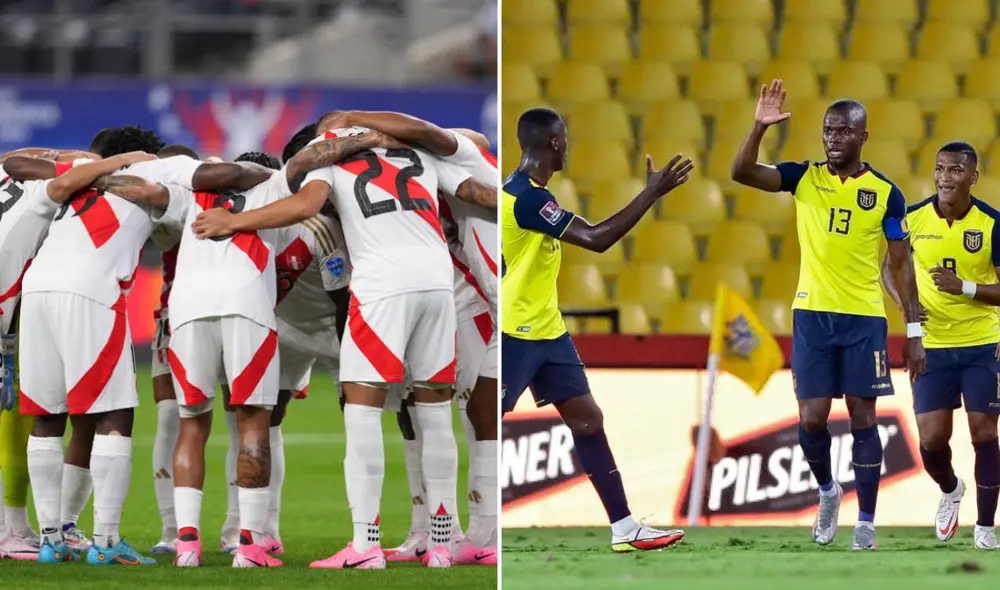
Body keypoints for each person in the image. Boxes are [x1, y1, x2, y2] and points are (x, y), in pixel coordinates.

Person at [190, 124, 496, 570]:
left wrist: (231, 220)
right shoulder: (417, 149)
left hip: (381, 286)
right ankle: (442, 545)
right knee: (435, 413)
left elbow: (306, 202)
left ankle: (365, 545)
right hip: (436, 284)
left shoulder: (326, 154)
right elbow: (473, 180)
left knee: (362, 413)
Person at [730, 79, 926, 550]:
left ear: (863, 137)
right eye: (827, 130)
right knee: (813, 418)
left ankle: (866, 522)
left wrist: (914, 328)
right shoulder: (804, 177)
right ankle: (826, 490)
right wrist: (759, 127)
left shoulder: (886, 194)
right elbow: (741, 172)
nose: (833, 139)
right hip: (812, 315)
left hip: (863, 318)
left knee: (863, 417)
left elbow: (900, 261)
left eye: (843, 131)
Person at [501, 106, 691, 552]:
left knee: (588, 421)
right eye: (564, 139)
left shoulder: (526, 193)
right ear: (553, 143)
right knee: (486, 424)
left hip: (548, 330)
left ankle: (624, 527)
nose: (567, 146)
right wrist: (651, 194)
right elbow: (598, 238)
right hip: (515, 331)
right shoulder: (526, 198)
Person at [322, 111, 499, 564]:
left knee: (476, 409)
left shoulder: (439, 148)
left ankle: (482, 537)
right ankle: (434, 533)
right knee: (428, 406)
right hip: (452, 286)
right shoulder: (412, 161)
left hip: (488, 294)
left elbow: (470, 141)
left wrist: (358, 125)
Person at [17, 145, 165, 565]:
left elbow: (16, 163)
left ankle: (50, 540)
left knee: (46, 414)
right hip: (91, 289)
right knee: (115, 414)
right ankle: (105, 541)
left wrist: (95, 168)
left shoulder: (78, 178)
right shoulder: (151, 177)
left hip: (39, 287)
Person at [882, 141, 1000, 549]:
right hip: (931, 345)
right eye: (940, 169)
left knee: (984, 433)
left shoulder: (992, 224)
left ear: (973, 178)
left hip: (984, 343)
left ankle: (986, 527)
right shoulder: (912, 218)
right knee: (932, 441)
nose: (945, 178)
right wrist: (908, 312)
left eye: (955, 171)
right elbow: (889, 270)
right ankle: (951, 489)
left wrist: (963, 288)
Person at [0, 148, 104, 560]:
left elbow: (13, 159)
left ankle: (12, 526)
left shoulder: (14, 178)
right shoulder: (53, 192)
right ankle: (7, 531)